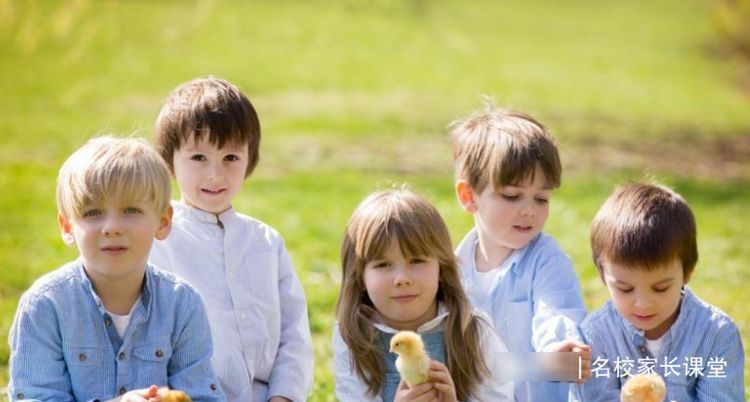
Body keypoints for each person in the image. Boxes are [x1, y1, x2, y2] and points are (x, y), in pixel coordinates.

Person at [8, 136, 224, 402]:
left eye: (131, 210)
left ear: (163, 221)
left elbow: (203, 395)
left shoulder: (182, 304)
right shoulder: (45, 305)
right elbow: (36, 397)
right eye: (92, 213)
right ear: (67, 227)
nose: (112, 227)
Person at [149, 76, 313, 402]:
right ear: (169, 162)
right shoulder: (156, 242)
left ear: (249, 159)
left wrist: (284, 396)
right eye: (198, 158)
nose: (215, 174)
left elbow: (294, 334)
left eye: (231, 158)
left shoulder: (266, 243)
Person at [450, 101, 590, 401]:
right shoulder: (451, 269)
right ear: (469, 196)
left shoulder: (547, 261)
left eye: (541, 198)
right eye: (512, 196)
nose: (529, 211)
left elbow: (558, 310)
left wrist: (559, 348)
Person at [332, 188, 514, 402]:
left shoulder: (473, 330)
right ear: (360, 277)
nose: (402, 278)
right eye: (383, 264)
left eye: (416, 261)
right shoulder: (353, 336)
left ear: (442, 268)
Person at [571, 182, 745, 401]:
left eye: (661, 288)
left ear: (687, 273)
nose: (643, 303)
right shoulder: (594, 337)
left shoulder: (716, 333)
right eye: (625, 288)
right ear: (603, 276)